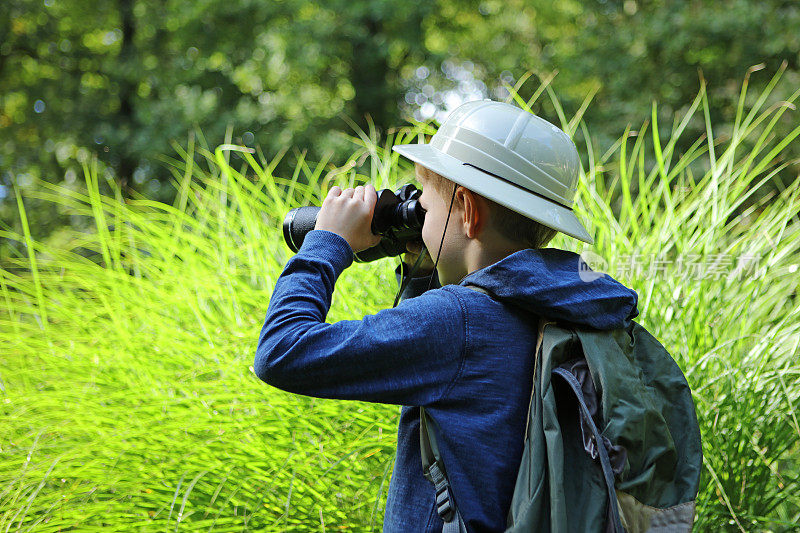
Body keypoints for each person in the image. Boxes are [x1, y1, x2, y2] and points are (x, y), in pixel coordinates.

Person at [255, 100, 639, 532]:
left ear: (469, 212)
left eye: (427, 204)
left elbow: (282, 351)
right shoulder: (575, 306)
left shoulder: (459, 322)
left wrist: (327, 242)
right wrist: (423, 269)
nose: (418, 216)